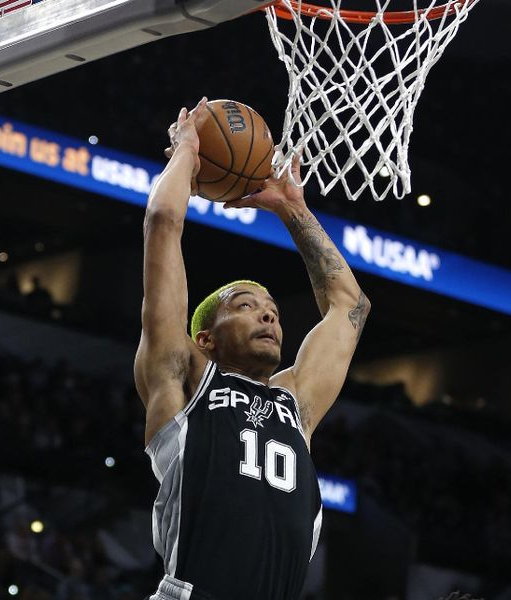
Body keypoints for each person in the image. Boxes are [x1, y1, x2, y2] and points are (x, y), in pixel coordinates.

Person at [135, 98, 370, 600]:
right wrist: (188, 153)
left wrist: (292, 207)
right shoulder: (183, 377)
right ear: (205, 339)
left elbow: (350, 306)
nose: (268, 314)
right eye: (245, 306)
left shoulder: (295, 402)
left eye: (272, 310)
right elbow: (163, 222)